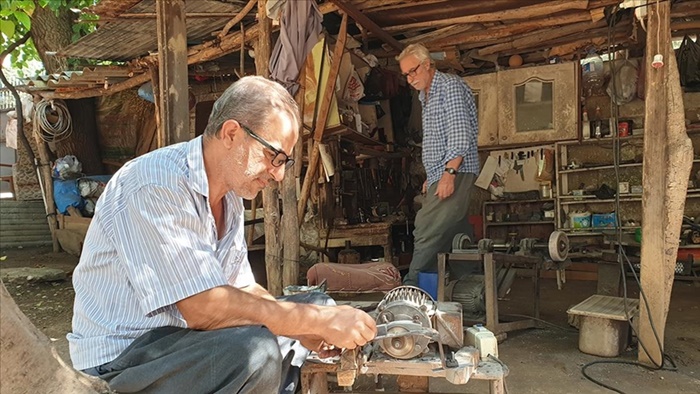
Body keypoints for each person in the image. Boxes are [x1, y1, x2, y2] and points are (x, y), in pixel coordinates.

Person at [68, 76, 377, 394]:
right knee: (256, 353)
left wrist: (306, 324)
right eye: (275, 156)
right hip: (124, 361)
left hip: (186, 344)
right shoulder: (155, 184)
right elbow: (204, 309)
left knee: (316, 303)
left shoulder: (228, 197)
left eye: (285, 161)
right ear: (231, 133)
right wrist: (313, 321)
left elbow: (242, 287)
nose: (279, 173)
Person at [397, 44, 480, 286]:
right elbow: (438, 138)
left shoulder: (449, 87)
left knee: (427, 228)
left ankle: (411, 288)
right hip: (441, 172)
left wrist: (449, 173)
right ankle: (471, 286)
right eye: (406, 75)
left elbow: (460, 134)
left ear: (427, 65)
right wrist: (432, 175)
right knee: (455, 233)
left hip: (457, 169)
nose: (410, 79)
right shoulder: (425, 95)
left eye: (413, 71)